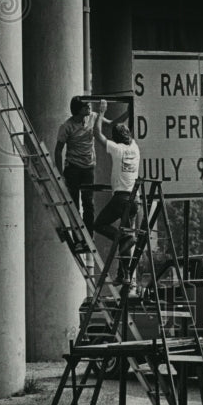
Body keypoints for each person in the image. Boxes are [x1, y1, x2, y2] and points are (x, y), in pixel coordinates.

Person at [94, 108, 141, 286]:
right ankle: (125, 275)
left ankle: (122, 238)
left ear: (116, 138)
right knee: (127, 236)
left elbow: (97, 134)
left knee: (99, 224)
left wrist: (101, 112)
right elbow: (127, 130)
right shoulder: (134, 147)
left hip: (121, 199)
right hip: (134, 201)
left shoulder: (117, 149)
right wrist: (130, 112)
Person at [54, 95, 109, 240]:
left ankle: (88, 237)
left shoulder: (93, 117)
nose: (89, 107)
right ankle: (78, 238)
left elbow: (110, 124)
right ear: (79, 110)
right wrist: (60, 175)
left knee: (88, 203)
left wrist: (127, 112)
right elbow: (58, 150)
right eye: (86, 106)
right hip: (73, 168)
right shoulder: (66, 127)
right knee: (74, 205)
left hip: (88, 168)